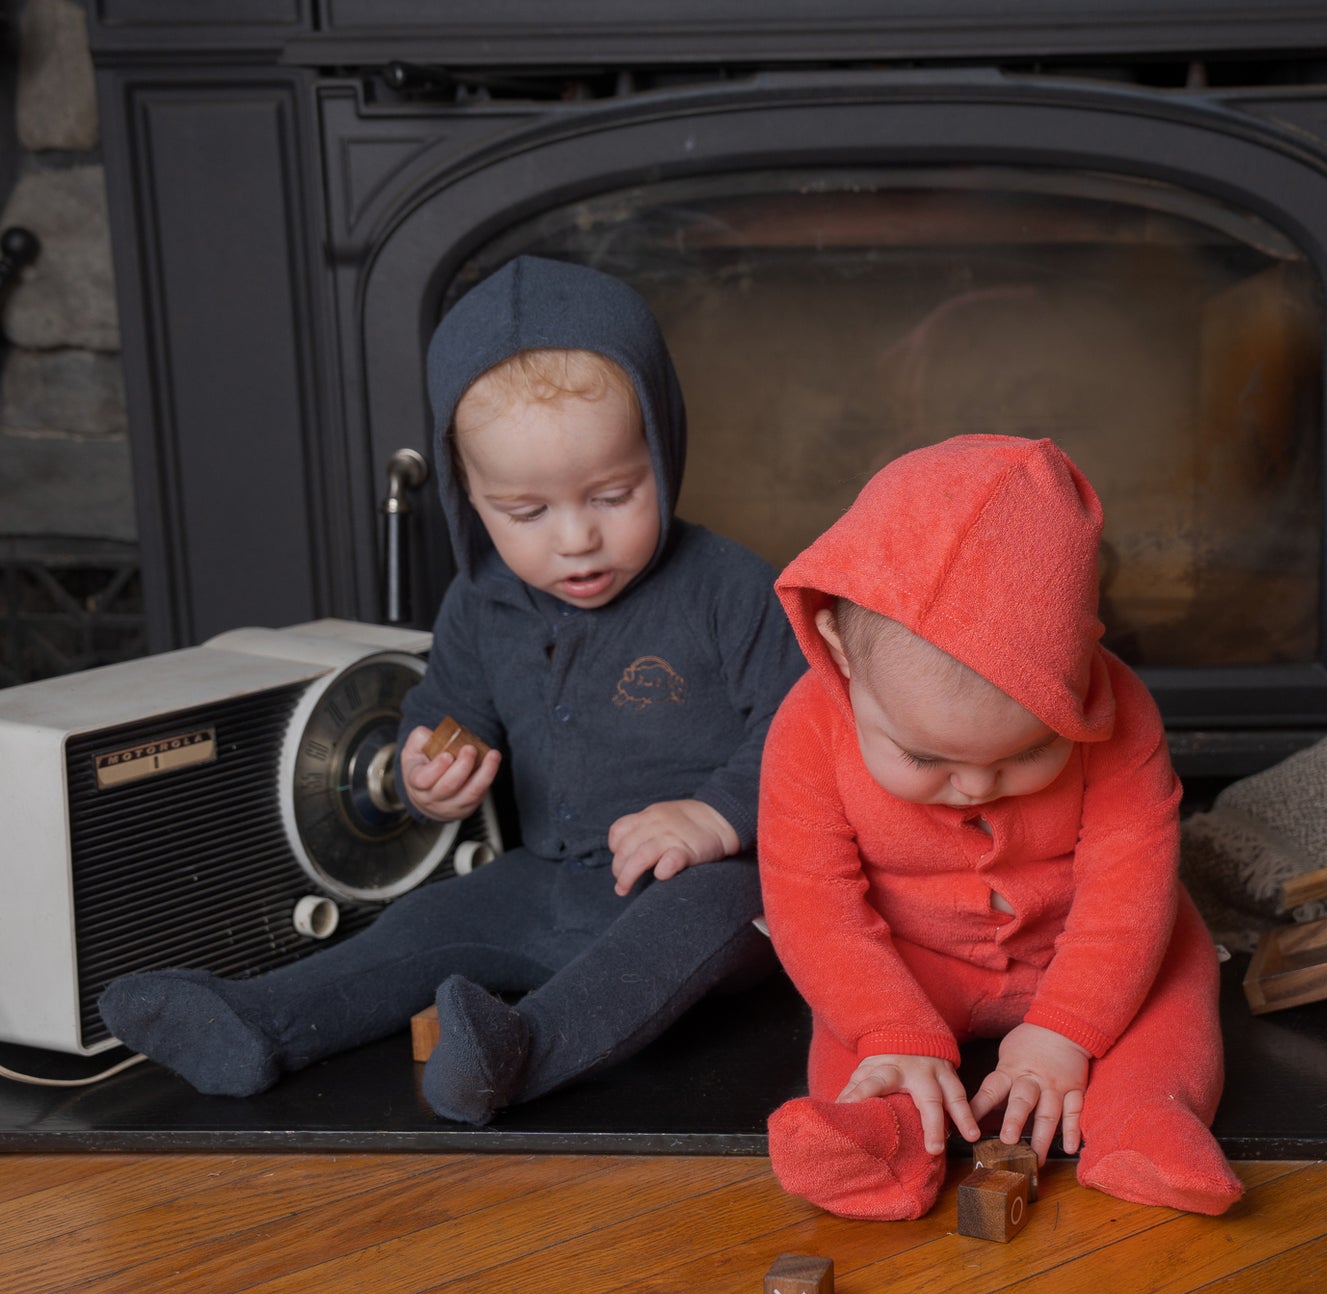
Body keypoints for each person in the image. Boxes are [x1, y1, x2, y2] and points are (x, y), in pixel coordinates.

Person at [100, 255, 803, 1123]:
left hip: (709, 888)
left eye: (615, 494)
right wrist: (428, 769)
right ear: (471, 501)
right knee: (425, 921)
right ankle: (265, 1019)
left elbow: (808, 726)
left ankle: (526, 1049)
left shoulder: (728, 589)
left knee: (708, 913)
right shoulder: (480, 602)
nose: (578, 539)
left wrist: (713, 817)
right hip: (545, 880)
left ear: (663, 448)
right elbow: (450, 712)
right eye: (527, 512)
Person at [758, 433, 1244, 1219]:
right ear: (839, 652)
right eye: (924, 756)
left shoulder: (1124, 714)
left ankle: (1146, 1117)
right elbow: (813, 906)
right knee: (852, 1023)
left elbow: (1128, 885)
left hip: (1088, 940)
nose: (977, 786)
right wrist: (890, 1029)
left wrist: (1066, 1030)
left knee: (1176, 973)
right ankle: (879, 1133)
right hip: (910, 953)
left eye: (1030, 750)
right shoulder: (808, 730)